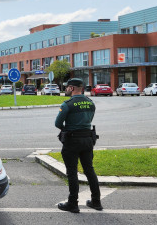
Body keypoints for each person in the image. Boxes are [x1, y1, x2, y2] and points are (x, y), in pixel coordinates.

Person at [55, 78, 102, 213]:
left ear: (72, 88)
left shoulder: (67, 104)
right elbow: (89, 119)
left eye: (67, 87)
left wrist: (68, 128)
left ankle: (73, 204)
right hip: (88, 140)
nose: (66, 89)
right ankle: (96, 201)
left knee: (72, 172)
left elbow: (58, 123)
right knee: (89, 170)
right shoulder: (90, 103)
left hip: (72, 141)